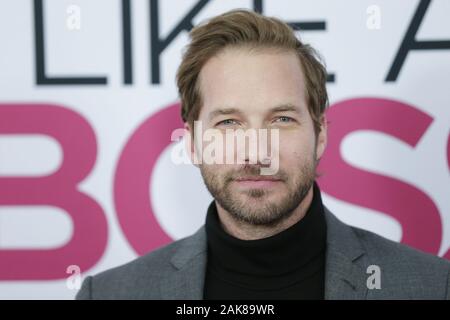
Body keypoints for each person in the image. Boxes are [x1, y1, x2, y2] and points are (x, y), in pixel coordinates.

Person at [76, 9, 450, 300]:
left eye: (282, 119)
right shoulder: (111, 293)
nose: (256, 151)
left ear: (320, 135)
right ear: (191, 143)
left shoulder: (433, 287)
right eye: (228, 123)